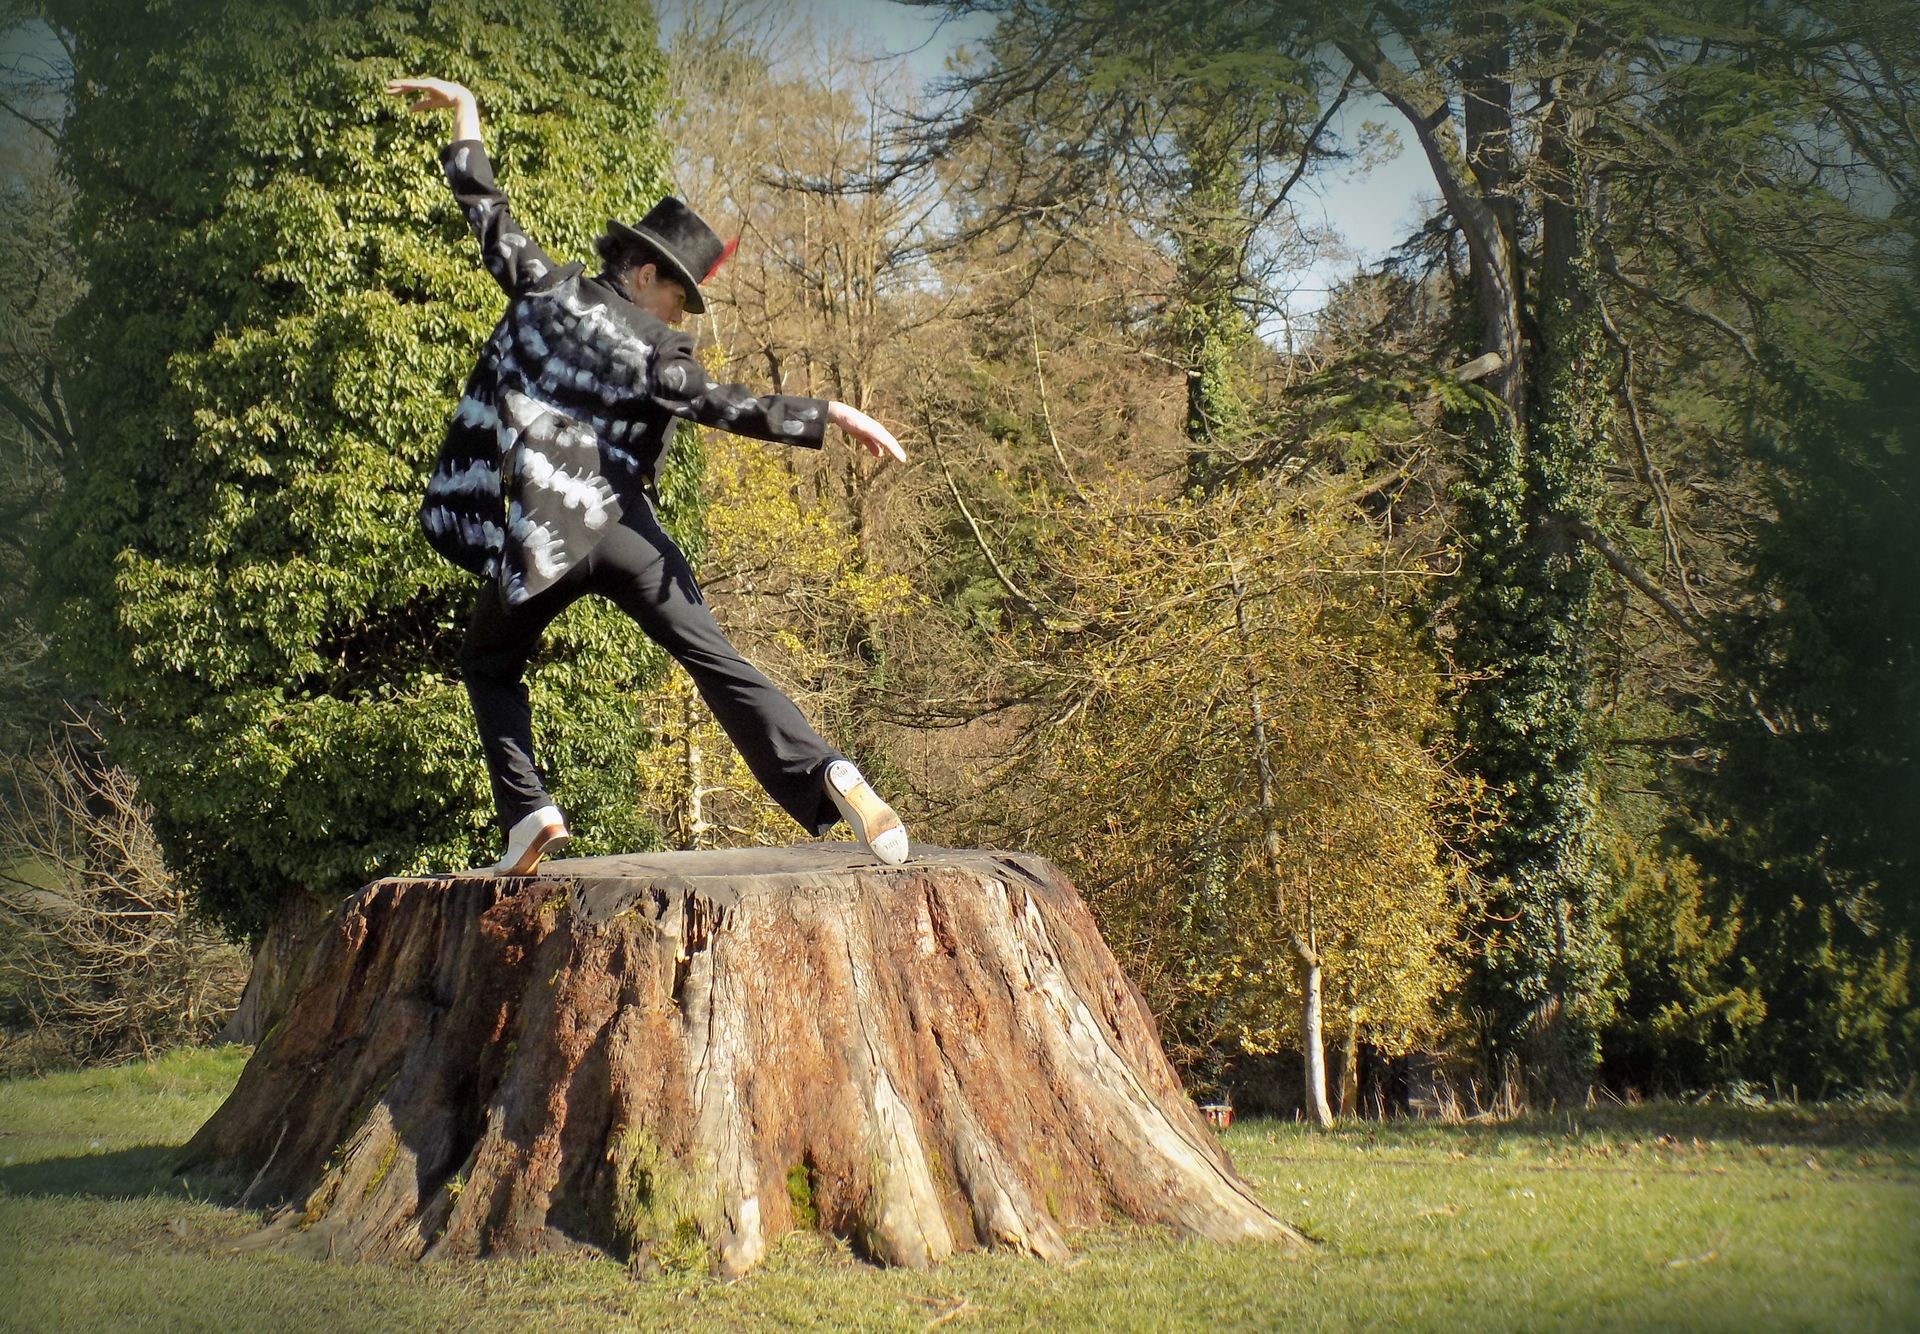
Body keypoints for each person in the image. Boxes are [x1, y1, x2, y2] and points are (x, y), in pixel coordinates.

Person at [387, 75, 910, 875]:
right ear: (640, 271)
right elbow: (724, 404)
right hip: (629, 537)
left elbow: (484, 208)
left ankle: (527, 813)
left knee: (487, 664)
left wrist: (465, 111)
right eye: (677, 296)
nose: (678, 315)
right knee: (716, 661)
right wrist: (828, 413)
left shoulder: (542, 286)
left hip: (542, 539)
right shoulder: (661, 352)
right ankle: (828, 770)